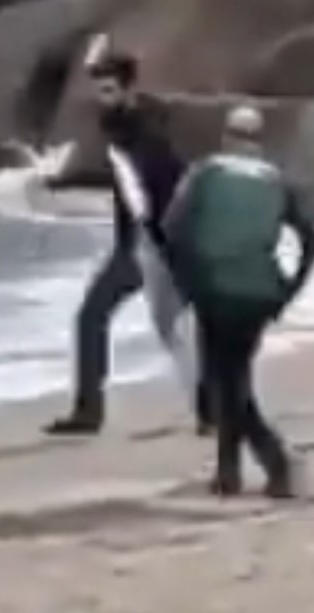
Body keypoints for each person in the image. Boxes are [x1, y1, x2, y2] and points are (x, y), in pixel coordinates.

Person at [161, 106, 314, 498]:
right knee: (234, 378)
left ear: (226, 137)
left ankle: (274, 461)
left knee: (224, 383)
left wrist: (185, 281)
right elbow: (313, 241)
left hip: (215, 290)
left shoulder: (204, 173)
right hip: (260, 293)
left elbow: (171, 229)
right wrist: (288, 290)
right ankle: (228, 472)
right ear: (259, 141)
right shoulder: (275, 181)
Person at [44, 44, 199, 436]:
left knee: (169, 328)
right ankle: (89, 411)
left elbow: (159, 185)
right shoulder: (123, 123)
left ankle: (213, 407)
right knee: (101, 319)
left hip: (152, 245)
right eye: (99, 90)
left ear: (128, 90)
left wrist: (159, 239)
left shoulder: (141, 134)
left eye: (109, 90)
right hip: (138, 244)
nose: (102, 98)